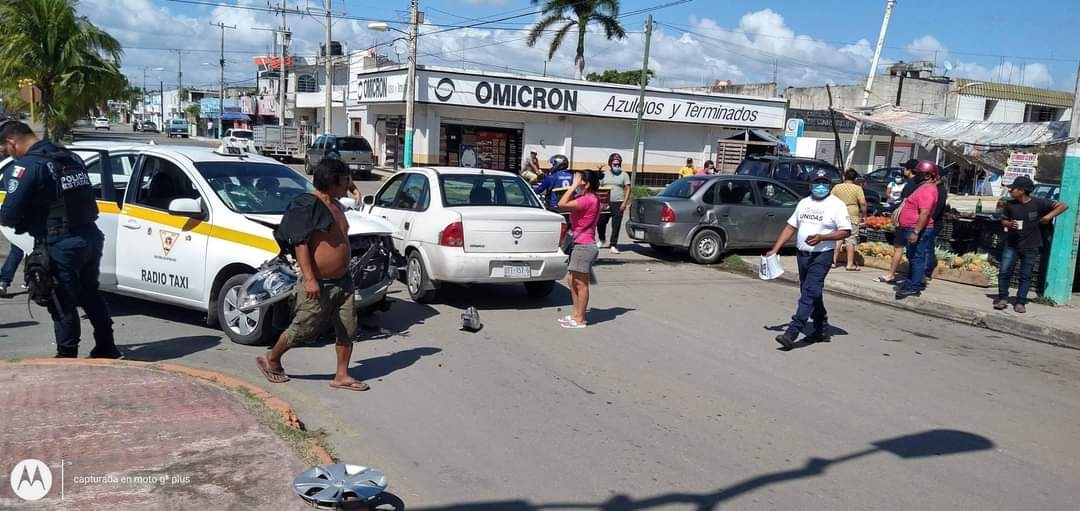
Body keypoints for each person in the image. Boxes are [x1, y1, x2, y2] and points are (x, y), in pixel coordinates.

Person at [0, 121, 119, 358]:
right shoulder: (70, 157)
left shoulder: (29, 165)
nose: (7, 155)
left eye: (5, 150)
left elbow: (8, 215)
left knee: (60, 299)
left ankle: (67, 356)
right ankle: (107, 346)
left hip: (59, 242)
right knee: (89, 293)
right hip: (89, 236)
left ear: (12, 143)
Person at [256, 158, 369, 391]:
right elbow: (300, 243)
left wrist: (353, 188)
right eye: (345, 179)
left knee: (347, 327)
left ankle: (342, 375)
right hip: (319, 282)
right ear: (333, 182)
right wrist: (309, 279)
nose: (348, 182)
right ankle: (272, 359)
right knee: (305, 327)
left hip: (343, 280)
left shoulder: (336, 204)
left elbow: (344, 182)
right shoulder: (308, 205)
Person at [766, 169, 852, 349]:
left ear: (830, 185)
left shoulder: (836, 205)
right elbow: (791, 226)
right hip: (803, 254)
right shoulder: (804, 203)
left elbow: (845, 231)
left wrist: (823, 237)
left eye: (824, 183)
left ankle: (792, 332)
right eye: (817, 182)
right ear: (811, 184)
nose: (821, 186)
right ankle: (821, 327)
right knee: (811, 291)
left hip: (822, 255)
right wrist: (775, 249)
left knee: (808, 293)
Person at [995, 176, 1068, 313]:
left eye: (1013, 188)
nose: (1010, 191)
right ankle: (1003, 298)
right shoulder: (1010, 204)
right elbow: (1003, 221)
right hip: (1012, 244)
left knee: (1025, 275)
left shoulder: (1039, 203)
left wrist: (1048, 217)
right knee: (1004, 272)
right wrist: (1010, 224)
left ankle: (1020, 302)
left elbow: (1063, 205)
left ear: (1022, 190)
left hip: (1031, 245)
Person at [557, 170, 602, 329]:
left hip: (584, 246)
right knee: (571, 280)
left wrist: (573, 186)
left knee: (581, 284)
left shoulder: (588, 200)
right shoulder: (587, 198)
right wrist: (575, 186)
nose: (575, 182)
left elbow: (561, 204)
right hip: (580, 245)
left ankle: (580, 319)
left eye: (578, 179)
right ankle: (576, 313)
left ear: (587, 183)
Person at [894, 161, 940, 299]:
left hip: (917, 229)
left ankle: (914, 286)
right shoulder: (923, 187)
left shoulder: (928, 190)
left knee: (917, 258)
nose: (916, 175)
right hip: (910, 227)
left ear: (928, 175)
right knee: (912, 256)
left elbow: (924, 213)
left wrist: (916, 231)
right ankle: (910, 282)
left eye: (919, 173)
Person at [878, 159, 920, 284]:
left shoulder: (909, 185)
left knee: (898, 248)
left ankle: (891, 274)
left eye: (905, 168)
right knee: (915, 251)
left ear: (909, 170)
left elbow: (904, 202)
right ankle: (914, 277)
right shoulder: (921, 185)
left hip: (905, 220)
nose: (903, 171)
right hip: (915, 221)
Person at [830, 169, 867, 271]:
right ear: (855, 179)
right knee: (850, 238)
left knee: (838, 238)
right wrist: (864, 214)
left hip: (838, 213)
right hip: (852, 214)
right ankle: (849, 264)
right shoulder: (857, 188)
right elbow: (863, 203)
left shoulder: (837, 187)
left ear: (844, 177)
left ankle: (833, 261)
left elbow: (830, 199)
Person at [599, 153, 631, 254]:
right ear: (610, 164)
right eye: (614, 164)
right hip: (605, 202)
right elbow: (599, 187)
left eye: (618, 164)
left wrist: (625, 203)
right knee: (600, 222)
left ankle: (613, 244)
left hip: (618, 202)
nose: (616, 166)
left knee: (616, 224)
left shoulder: (624, 174)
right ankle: (602, 239)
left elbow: (628, 189)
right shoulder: (604, 174)